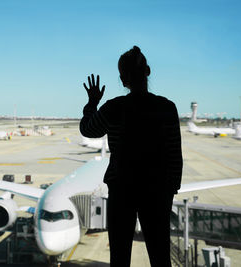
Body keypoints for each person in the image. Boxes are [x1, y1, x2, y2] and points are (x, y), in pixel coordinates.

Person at [80, 46, 183, 267]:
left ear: (122, 79)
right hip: (157, 192)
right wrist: (171, 189)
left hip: (122, 191)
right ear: (147, 71)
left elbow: (88, 130)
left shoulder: (114, 108)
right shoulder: (167, 108)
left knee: (119, 257)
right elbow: (175, 154)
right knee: (160, 257)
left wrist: (92, 103)